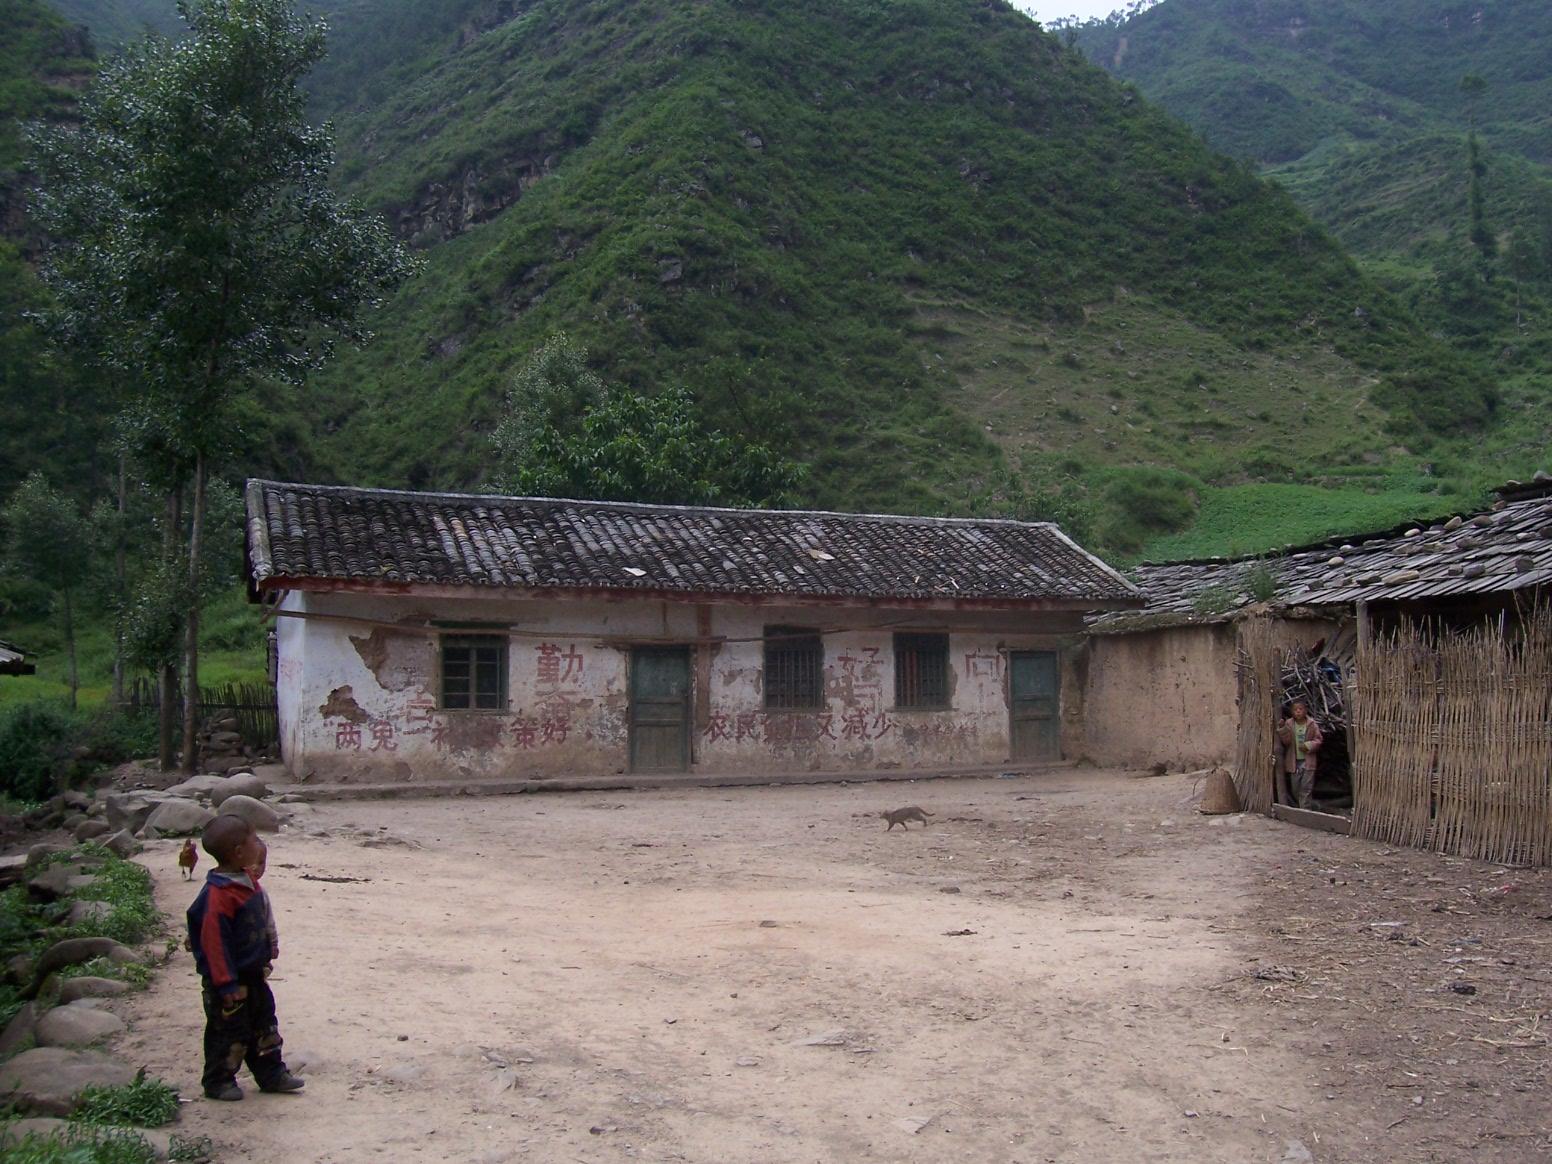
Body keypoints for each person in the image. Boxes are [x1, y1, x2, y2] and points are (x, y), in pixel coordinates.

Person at [187, 814, 304, 1101]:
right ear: (238, 851)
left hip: (253, 974)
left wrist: (268, 946)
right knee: (228, 1031)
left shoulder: (246, 881)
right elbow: (214, 944)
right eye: (254, 839)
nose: (258, 843)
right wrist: (225, 983)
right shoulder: (219, 896)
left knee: (265, 1023)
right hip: (228, 982)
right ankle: (218, 1081)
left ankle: (272, 1074)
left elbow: (261, 915)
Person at [1277, 700, 1324, 810]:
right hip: (1294, 762)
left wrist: (1308, 745)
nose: (1298, 712)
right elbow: (1286, 742)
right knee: (1296, 788)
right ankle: (1304, 807)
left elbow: (1318, 739)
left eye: (1300, 709)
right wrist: (1283, 729)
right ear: (1292, 712)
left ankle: (1305, 811)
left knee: (1306, 788)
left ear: (1305, 711)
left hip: (1308, 762)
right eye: (1295, 710)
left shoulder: (1312, 724)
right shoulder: (1289, 724)